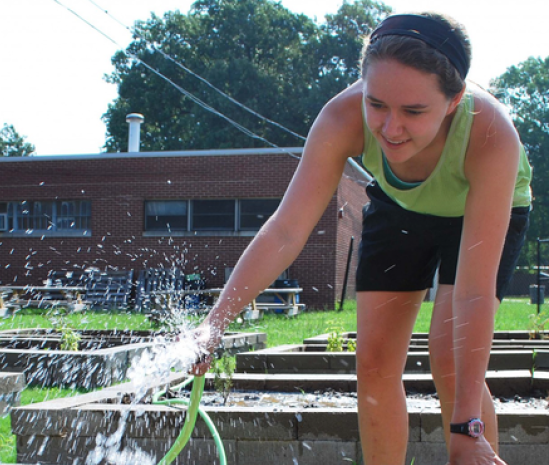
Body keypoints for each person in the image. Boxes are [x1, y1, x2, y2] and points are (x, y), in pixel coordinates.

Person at [189, 11, 532, 465]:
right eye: (377, 104)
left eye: (413, 111)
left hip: (481, 207)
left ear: (453, 101)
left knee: (448, 356)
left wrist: (468, 428)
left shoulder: (491, 135)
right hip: (400, 205)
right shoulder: (340, 117)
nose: (390, 129)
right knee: (372, 362)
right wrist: (214, 324)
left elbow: (472, 293)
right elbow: (287, 229)